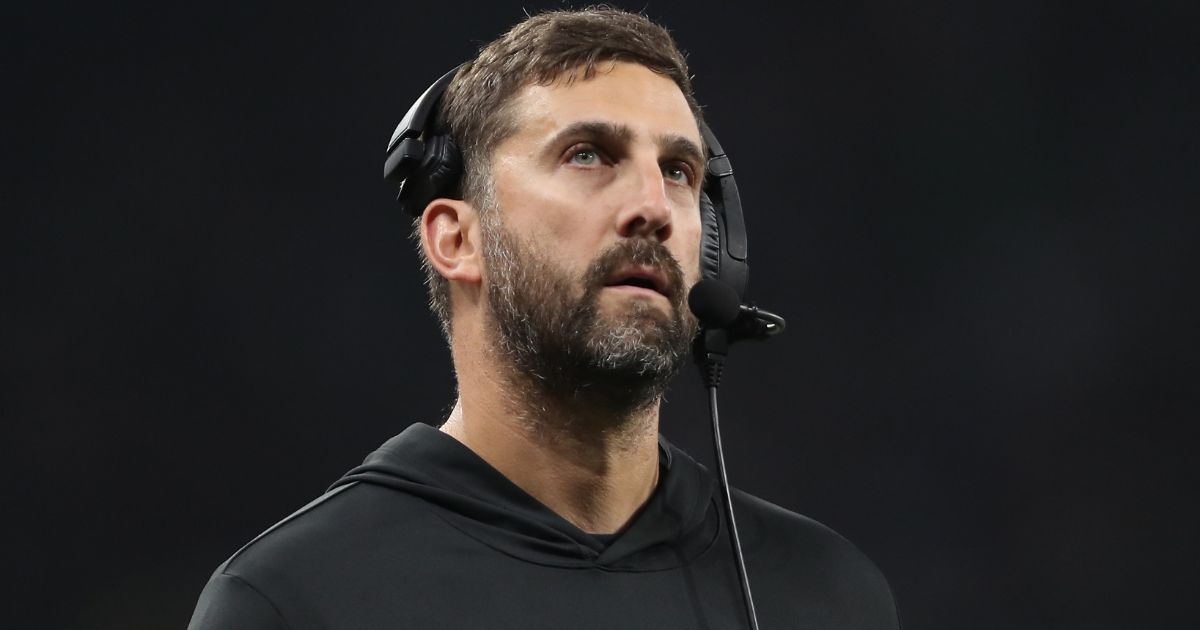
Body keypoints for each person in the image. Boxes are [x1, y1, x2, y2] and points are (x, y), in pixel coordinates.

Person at [188, 7, 900, 629]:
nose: (653, 205)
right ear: (457, 238)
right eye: (588, 155)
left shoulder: (826, 593)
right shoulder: (292, 600)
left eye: (680, 171)